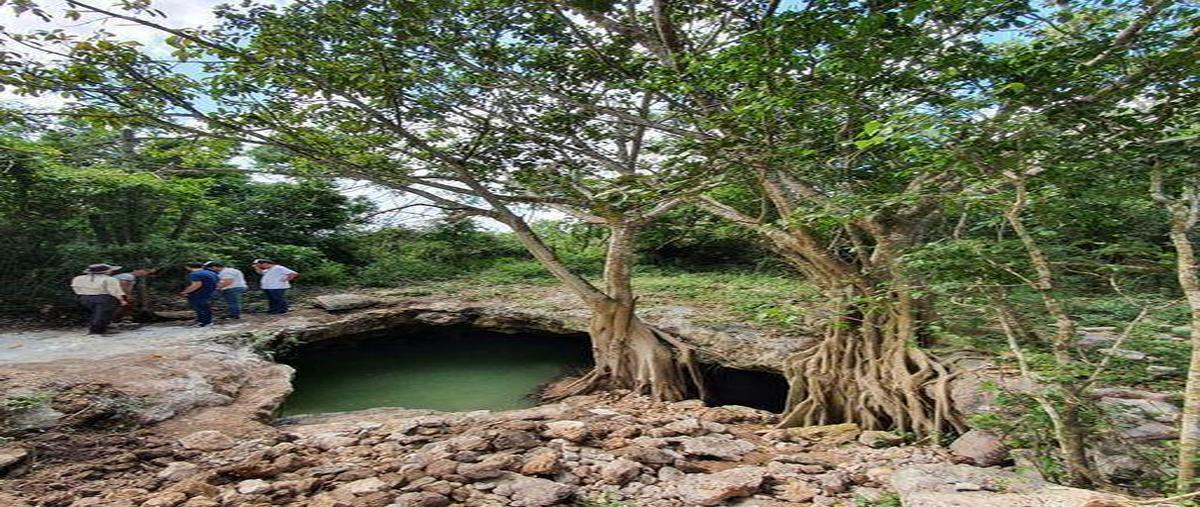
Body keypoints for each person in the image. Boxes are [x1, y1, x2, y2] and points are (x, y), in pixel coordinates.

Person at [70, 263, 129, 335]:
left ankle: (92, 331)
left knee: (91, 315)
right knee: (102, 316)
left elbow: (76, 289)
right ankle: (98, 333)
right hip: (104, 299)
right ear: (107, 271)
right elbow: (113, 291)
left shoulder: (78, 278)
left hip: (84, 298)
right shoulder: (110, 279)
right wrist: (121, 300)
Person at [180, 262, 220, 327]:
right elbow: (218, 283)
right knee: (206, 307)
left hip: (199, 293)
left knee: (199, 308)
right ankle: (207, 321)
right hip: (211, 292)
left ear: (188, 267)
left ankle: (203, 322)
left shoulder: (194, 274)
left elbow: (196, 284)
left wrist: (186, 291)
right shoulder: (212, 273)